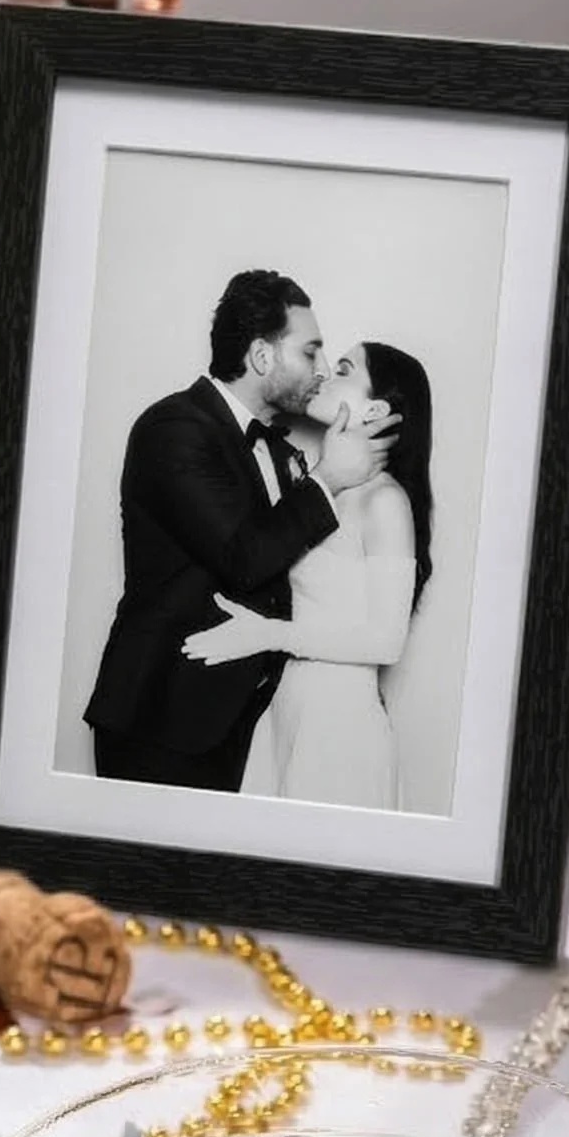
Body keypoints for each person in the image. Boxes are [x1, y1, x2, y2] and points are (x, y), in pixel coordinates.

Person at [85, 270, 397, 790]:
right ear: (261, 357)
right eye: (310, 352)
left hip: (246, 726)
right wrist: (329, 479)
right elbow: (244, 557)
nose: (320, 368)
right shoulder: (173, 429)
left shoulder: (278, 449)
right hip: (164, 721)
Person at [180, 342, 433, 811]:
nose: (323, 373)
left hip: (340, 725)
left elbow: (386, 643)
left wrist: (268, 634)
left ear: (374, 408)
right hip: (288, 711)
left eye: (343, 369)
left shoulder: (386, 503)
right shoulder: (319, 486)